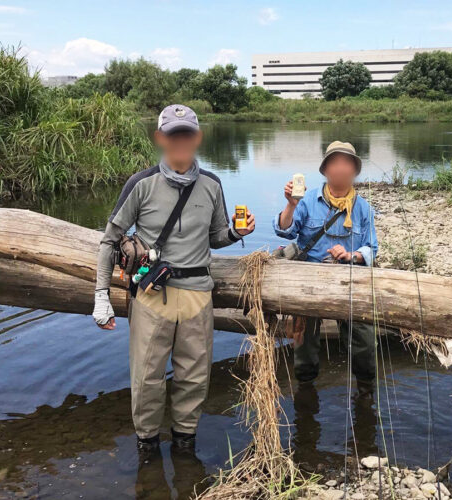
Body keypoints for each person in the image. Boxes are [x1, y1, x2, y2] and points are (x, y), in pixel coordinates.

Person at [92, 104, 255, 458]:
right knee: (147, 378)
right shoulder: (141, 184)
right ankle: (147, 447)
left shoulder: (212, 184)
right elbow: (109, 240)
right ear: (160, 138)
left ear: (197, 138)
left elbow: (215, 237)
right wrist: (100, 295)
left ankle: (185, 444)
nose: (180, 141)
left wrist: (236, 232)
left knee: (194, 377)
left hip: (198, 294)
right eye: (172, 134)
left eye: (186, 134)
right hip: (152, 295)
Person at [273, 141, 379, 391]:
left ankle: (365, 389)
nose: (341, 168)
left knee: (364, 340)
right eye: (335, 163)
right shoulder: (307, 201)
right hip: (309, 282)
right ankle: (306, 389)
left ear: (354, 170)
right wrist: (290, 204)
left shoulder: (363, 208)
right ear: (325, 170)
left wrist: (351, 255)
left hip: (349, 280)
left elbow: (372, 249)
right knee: (304, 343)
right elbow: (284, 231)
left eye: (347, 163)